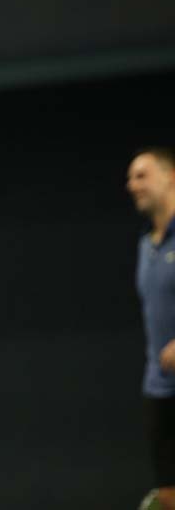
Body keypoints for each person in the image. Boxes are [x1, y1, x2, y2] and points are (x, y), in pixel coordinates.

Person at [127, 147, 175, 510]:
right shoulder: (147, 245)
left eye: (142, 175)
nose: (132, 185)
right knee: (169, 495)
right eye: (130, 178)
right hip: (159, 389)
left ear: (171, 177)